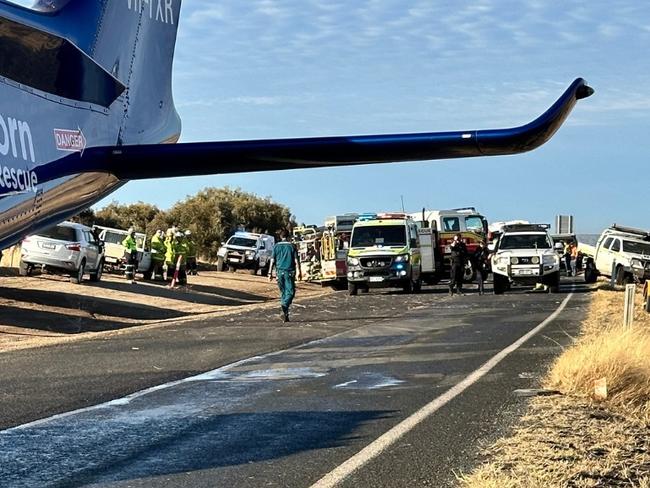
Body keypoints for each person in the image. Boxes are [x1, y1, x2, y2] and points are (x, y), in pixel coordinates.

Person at [268, 230, 302, 322]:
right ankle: (285, 305)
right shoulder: (292, 246)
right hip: (289, 272)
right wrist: (299, 271)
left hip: (279, 273)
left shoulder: (276, 246)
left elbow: (272, 260)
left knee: (283, 293)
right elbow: (296, 260)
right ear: (288, 236)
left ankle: (285, 315)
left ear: (280, 236)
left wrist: (270, 273)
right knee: (290, 292)